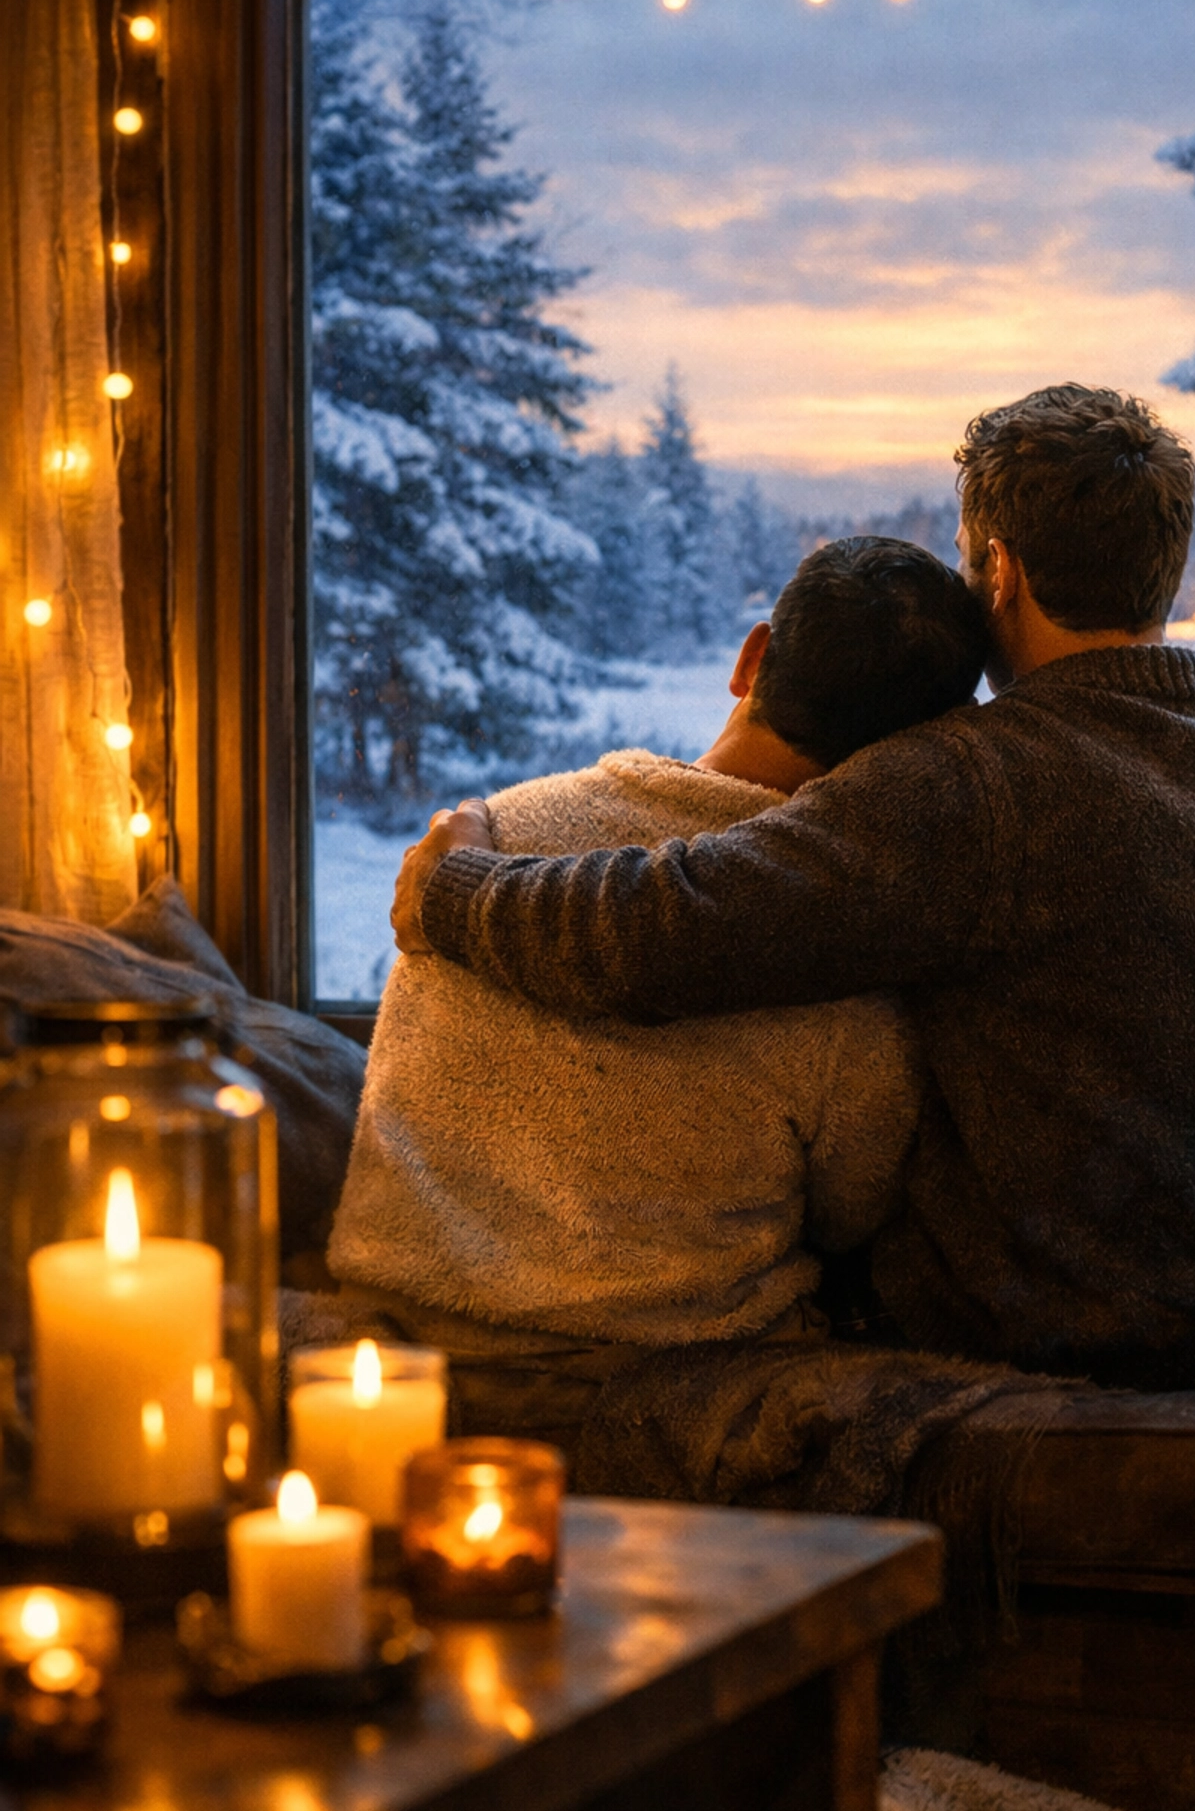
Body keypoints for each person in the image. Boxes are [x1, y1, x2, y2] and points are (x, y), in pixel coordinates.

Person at [395, 385, 1195, 1390]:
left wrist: (458, 890)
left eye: (970, 561)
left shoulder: (986, 780)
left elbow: (676, 923)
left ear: (998, 571)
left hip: (1077, 1337)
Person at [330, 536, 988, 1350]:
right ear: (921, 750)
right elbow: (855, 1213)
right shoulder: (839, 964)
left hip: (388, 1346)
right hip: (654, 1373)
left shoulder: (485, 837)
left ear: (752, 659)